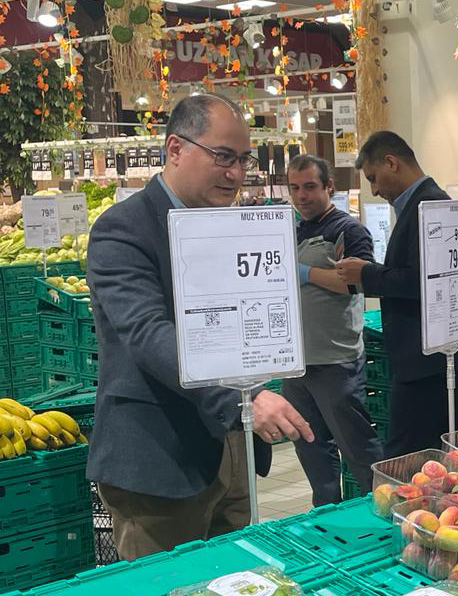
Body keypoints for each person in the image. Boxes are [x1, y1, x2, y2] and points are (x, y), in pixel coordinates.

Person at [86, 93, 315, 560]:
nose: (235, 172)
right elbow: (149, 334)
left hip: (233, 452)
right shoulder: (121, 230)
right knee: (168, 586)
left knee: (236, 578)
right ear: (175, 149)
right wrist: (242, 398)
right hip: (160, 463)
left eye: (243, 159)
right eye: (222, 157)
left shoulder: (229, 226)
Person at [335, 132, 458, 457]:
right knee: (436, 450)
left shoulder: (430, 205)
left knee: (409, 455)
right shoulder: (426, 204)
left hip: (431, 359)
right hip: (434, 354)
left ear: (392, 162)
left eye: (374, 178)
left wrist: (365, 274)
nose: (375, 190)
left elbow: (422, 281)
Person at [285, 155, 384, 506]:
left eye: (310, 187)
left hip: (336, 360)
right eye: (294, 188)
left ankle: (385, 515)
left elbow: (356, 283)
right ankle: (324, 519)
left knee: (358, 449)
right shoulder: (290, 230)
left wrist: (305, 273)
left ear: (329, 187)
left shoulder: (348, 230)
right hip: (295, 363)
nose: (302, 196)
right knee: (310, 447)